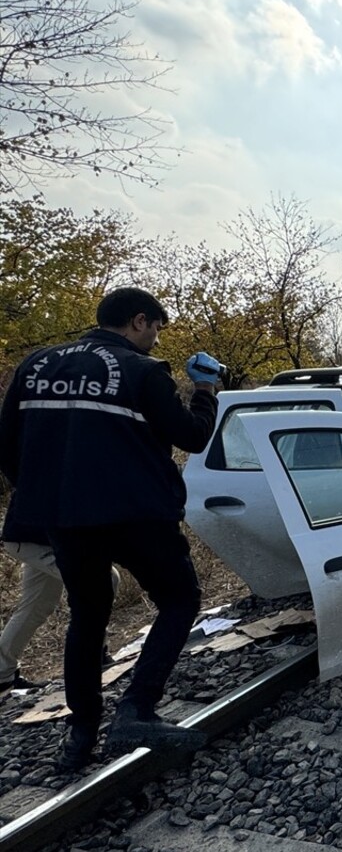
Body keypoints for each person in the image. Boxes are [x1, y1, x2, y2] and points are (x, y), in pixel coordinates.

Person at [0, 287, 221, 771]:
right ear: (139, 321)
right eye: (156, 327)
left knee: (87, 615)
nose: (156, 337)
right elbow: (192, 436)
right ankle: (136, 708)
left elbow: (7, 449)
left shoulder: (36, 366)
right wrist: (205, 391)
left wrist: (50, 497)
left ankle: (79, 739)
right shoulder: (144, 371)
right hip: (135, 512)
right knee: (180, 599)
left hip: (63, 518)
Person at [0, 515, 121, 694]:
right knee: (103, 579)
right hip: (33, 537)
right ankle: (95, 655)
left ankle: (2, 674)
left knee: (37, 605)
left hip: (36, 535)